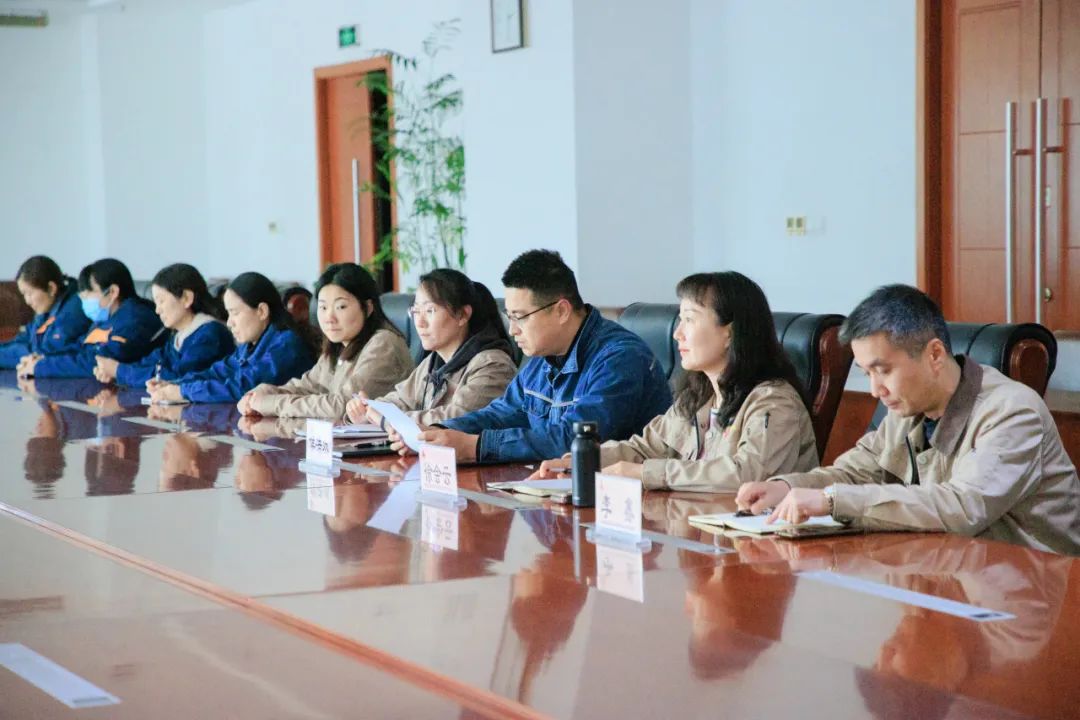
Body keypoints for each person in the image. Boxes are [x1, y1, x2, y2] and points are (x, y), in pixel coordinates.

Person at [736, 284, 1080, 555]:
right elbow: (855, 471)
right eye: (867, 374)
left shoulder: (1012, 411)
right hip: (952, 574)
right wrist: (786, 487)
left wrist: (831, 501)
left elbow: (963, 507)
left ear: (934, 354)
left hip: (1036, 593)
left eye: (883, 370)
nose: (875, 390)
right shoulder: (908, 409)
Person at [531, 272, 817, 490]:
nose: (677, 333)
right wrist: (580, 461)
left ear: (730, 332)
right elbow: (644, 448)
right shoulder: (699, 396)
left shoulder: (774, 401)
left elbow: (746, 474)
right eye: (679, 320)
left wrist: (647, 474)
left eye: (689, 320)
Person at [388, 249, 671, 462]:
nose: (512, 330)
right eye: (509, 317)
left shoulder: (619, 358)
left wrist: (475, 446)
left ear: (561, 311)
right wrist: (438, 431)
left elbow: (574, 439)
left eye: (520, 317)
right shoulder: (542, 357)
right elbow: (502, 413)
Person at [237, 263, 413, 419]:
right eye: (323, 307)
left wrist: (271, 404)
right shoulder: (339, 344)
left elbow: (342, 405)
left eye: (340, 307)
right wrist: (262, 393)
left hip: (387, 444)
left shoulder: (384, 343)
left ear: (367, 308)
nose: (329, 317)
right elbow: (308, 387)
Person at [346, 268, 518, 427]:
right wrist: (367, 409)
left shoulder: (493, 365)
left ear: (462, 315)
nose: (419, 323)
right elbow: (400, 400)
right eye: (416, 311)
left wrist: (388, 419)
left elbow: (459, 418)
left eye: (430, 311)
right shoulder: (432, 363)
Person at [148, 272, 317, 404]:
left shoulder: (286, 345)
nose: (229, 323)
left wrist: (182, 392)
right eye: (228, 314)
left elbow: (244, 387)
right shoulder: (249, 345)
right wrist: (175, 384)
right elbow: (218, 372)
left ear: (262, 311)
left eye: (235, 313)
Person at [18, 258, 164, 378]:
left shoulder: (135, 320)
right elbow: (81, 346)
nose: (85, 303)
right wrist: (43, 358)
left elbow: (98, 362)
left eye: (88, 295)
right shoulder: (105, 319)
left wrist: (41, 367)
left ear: (112, 292)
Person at [94, 263, 234, 387]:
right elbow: (153, 362)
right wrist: (112, 371)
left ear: (186, 298)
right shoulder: (180, 334)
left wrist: (119, 371)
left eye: (161, 301)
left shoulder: (209, 334)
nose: (157, 310)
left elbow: (177, 378)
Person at [0, 256, 90, 369]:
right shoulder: (49, 306)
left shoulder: (73, 310)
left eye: (29, 293)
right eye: (24, 295)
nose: (27, 301)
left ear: (51, 288)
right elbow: (26, 338)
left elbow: (41, 351)